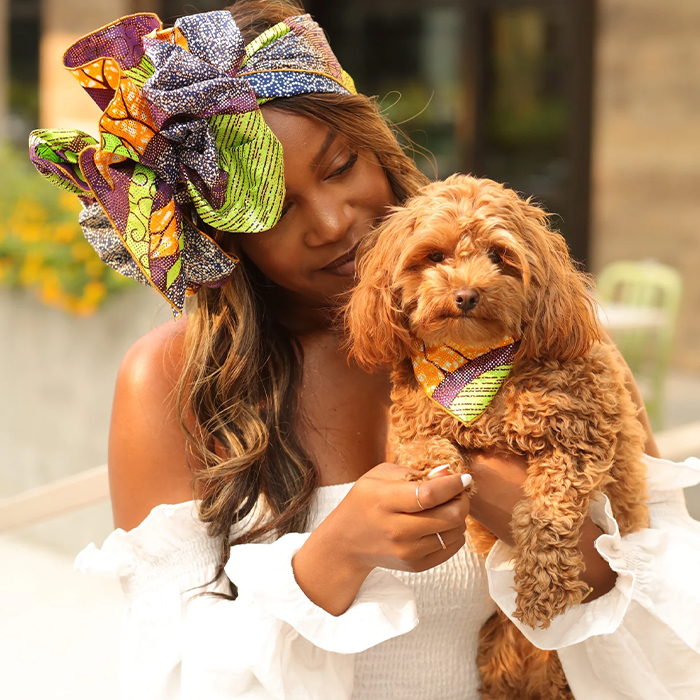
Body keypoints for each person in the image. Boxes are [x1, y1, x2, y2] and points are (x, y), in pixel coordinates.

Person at [31, 2, 700, 698]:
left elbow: (676, 632)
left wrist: (546, 534)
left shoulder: (539, 335)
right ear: (219, 236)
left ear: (378, 147)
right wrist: (327, 562)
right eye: (276, 210)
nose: (332, 222)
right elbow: (165, 679)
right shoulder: (170, 378)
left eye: (342, 165)